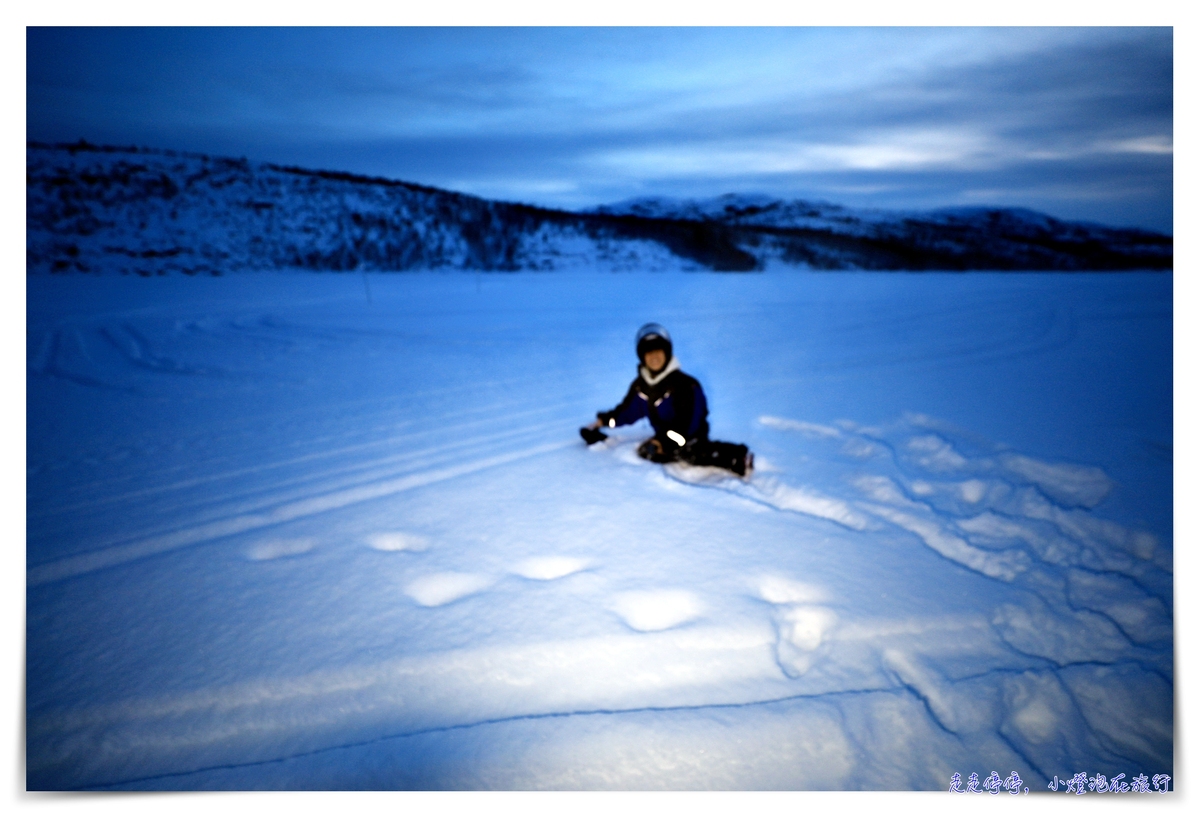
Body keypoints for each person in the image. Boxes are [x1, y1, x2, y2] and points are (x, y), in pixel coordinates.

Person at [581, 323, 753, 477]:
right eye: (649, 352)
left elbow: (688, 424)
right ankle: (661, 448)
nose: (654, 356)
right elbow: (627, 412)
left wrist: (663, 441)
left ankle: (738, 457)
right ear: (642, 356)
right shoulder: (642, 386)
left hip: (688, 436)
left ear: (667, 353)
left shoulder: (686, 384)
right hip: (664, 435)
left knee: (687, 451)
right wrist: (604, 421)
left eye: (658, 351)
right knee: (647, 452)